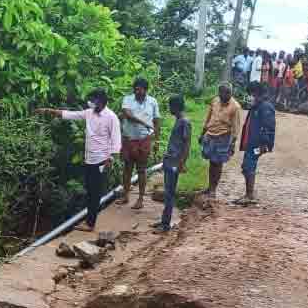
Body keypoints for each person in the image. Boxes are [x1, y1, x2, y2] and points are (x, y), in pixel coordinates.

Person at [36, 89, 121, 232]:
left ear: (102, 101)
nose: (91, 103)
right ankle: (89, 220)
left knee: (94, 193)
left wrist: (110, 159)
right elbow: (69, 115)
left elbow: (116, 140)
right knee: (89, 191)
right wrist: (48, 110)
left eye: (93, 100)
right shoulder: (89, 113)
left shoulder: (111, 117)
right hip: (89, 159)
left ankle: (90, 224)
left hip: (101, 160)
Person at [118, 78, 160, 210]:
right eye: (135, 89)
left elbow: (157, 121)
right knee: (127, 168)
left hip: (144, 139)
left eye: (140, 89)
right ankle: (125, 195)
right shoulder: (127, 100)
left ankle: (140, 199)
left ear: (145, 90)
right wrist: (144, 123)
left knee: (141, 170)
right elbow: (127, 114)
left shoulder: (152, 102)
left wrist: (157, 140)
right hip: (128, 138)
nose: (137, 91)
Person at [151, 96, 191, 234]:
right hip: (170, 160)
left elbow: (187, 145)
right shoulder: (179, 121)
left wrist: (182, 163)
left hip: (175, 162)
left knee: (169, 193)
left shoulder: (184, 122)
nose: (169, 109)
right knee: (168, 192)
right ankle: (164, 221)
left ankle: (165, 225)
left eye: (170, 106)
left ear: (175, 107)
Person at [236, 81, 276, 205]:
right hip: (251, 143)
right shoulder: (256, 106)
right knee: (246, 167)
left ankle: (250, 195)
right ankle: (249, 193)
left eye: (251, 94)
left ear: (257, 94)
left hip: (258, 145)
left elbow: (268, 127)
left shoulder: (265, 107)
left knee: (248, 166)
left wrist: (264, 144)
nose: (249, 97)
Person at [200, 83, 242, 197]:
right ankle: (210, 187)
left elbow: (236, 128)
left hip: (223, 137)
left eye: (229, 92)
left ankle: (213, 189)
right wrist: (202, 133)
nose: (227, 94)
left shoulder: (235, 107)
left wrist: (232, 144)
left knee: (218, 163)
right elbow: (208, 118)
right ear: (219, 93)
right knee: (211, 162)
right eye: (224, 92)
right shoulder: (215, 101)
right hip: (210, 135)